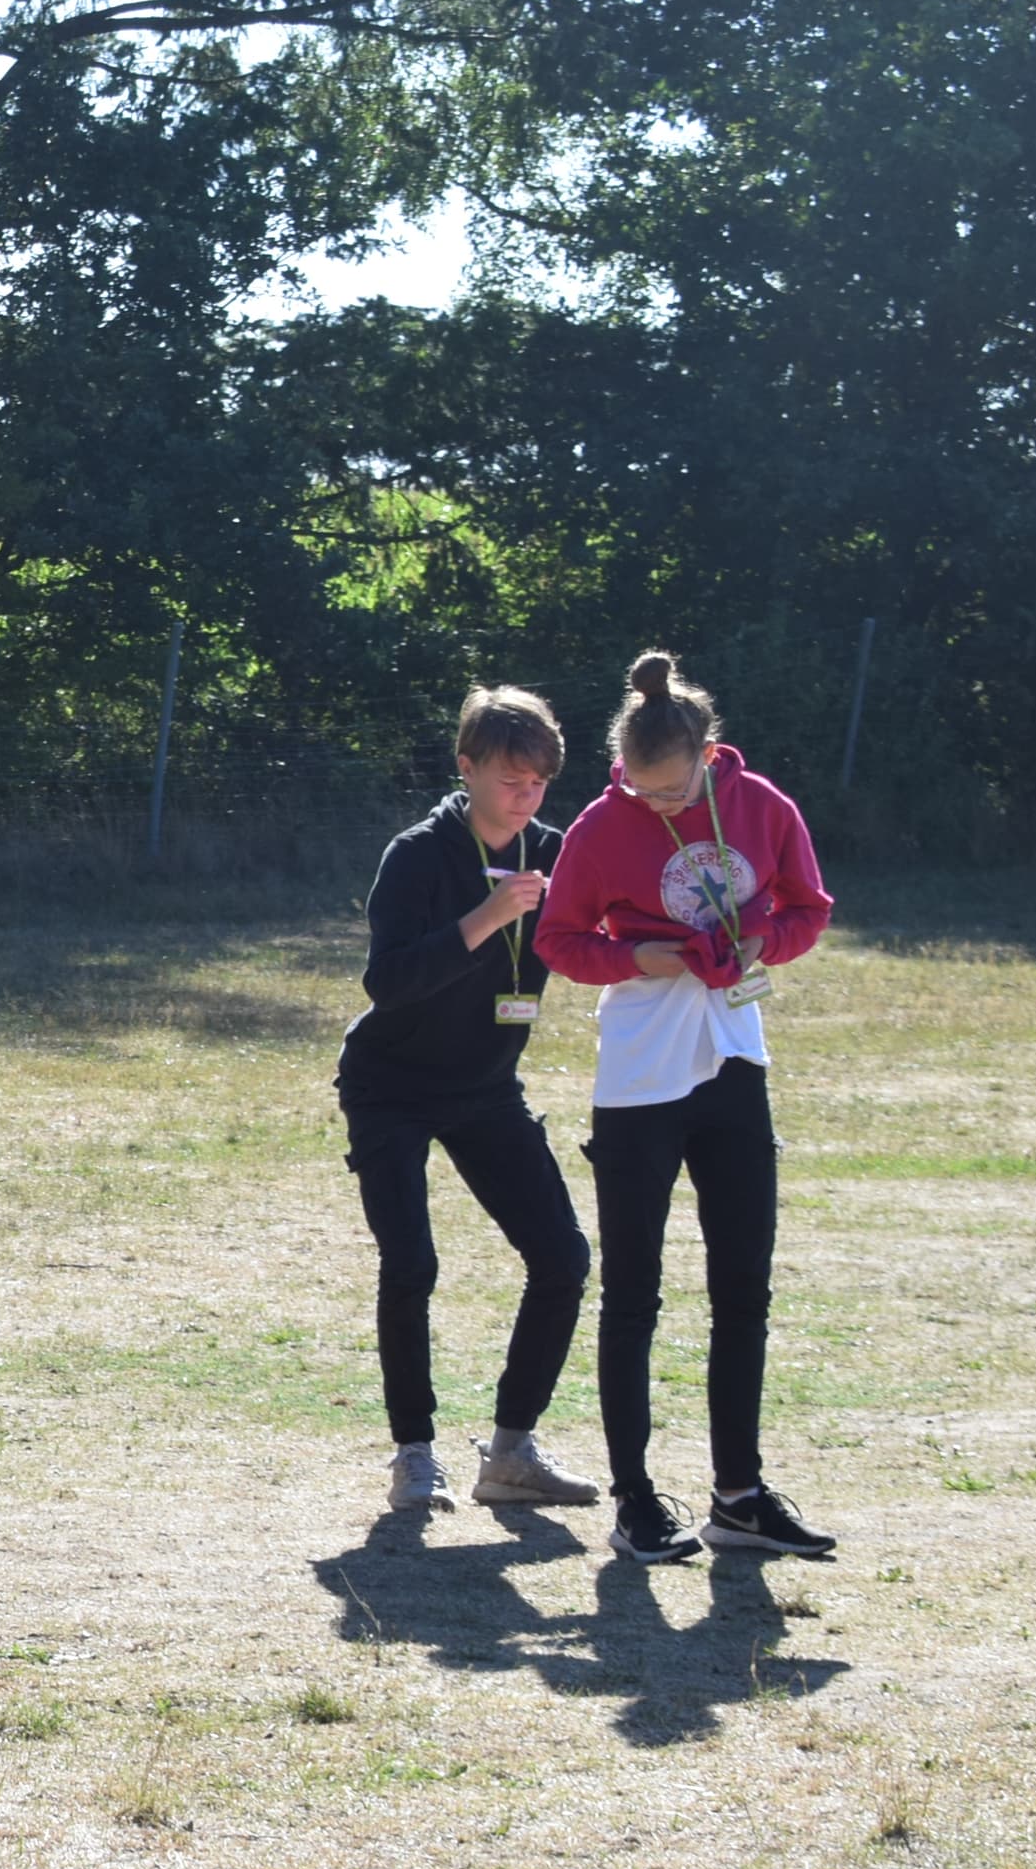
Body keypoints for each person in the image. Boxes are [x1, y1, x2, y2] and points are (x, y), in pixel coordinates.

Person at [537, 650, 837, 1564]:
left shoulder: (762, 806)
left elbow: (808, 907)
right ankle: (635, 1502)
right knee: (633, 1294)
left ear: (709, 757)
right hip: (640, 1074)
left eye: (670, 793)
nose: (654, 807)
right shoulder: (601, 824)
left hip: (734, 1058)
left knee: (744, 1285)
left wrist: (759, 941)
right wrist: (639, 959)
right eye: (639, 791)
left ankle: (738, 1497)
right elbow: (558, 937)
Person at [335, 687, 600, 1517]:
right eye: (510, 778)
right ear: (467, 768)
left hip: (486, 1086)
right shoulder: (418, 855)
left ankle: (512, 1453)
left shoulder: (556, 852)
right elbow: (388, 983)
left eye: (538, 783)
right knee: (413, 1263)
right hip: (392, 1086)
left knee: (562, 1259)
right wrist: (486, 916)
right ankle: (415, 1455)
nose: (525, 795)